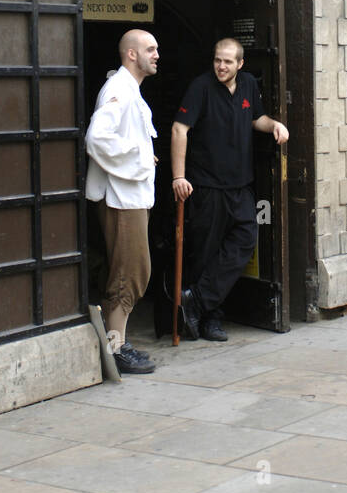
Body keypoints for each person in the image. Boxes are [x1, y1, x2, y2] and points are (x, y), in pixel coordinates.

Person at [171, 37, 288, 341]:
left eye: (227, 61)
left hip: (240, 185)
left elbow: (256, 118)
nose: (221, 66)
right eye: (217, 60)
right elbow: (179, 128)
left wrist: (274, 124)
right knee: (206, 253)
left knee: (245, 240)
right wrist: (178, 177)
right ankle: (210, 318)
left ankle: (197, 300)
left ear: (240, 64)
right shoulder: (201, 87)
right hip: (207, 185)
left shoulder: (248, 84)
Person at [85, 29, 159, 374]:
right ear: (131, 54)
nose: (156, 54)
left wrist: (141, 156)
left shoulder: (131, 91)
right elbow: (97, 138)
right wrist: (142, 157)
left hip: (129, 196)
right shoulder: (118, 89)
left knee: (133, 271)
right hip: (120, 199)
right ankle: (116, 350)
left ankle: (120, 343)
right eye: (150, 49)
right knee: (126, 275)